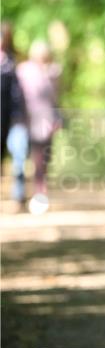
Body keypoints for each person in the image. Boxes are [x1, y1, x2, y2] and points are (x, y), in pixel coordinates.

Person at [16, 39, 61, 214]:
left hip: (47, 121)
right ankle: (21, 195)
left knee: (43, 162)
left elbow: (56, 99)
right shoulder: (23, 70)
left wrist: (58, 118)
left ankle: (40, 197)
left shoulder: (54, 72)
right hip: (26, 121)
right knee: (29, 160)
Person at [1, 22, 29, 210]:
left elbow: (17, 94)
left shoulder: (11, 65)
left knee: (18, 155)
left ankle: (19, 195)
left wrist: (19, 117)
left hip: (10, 119)